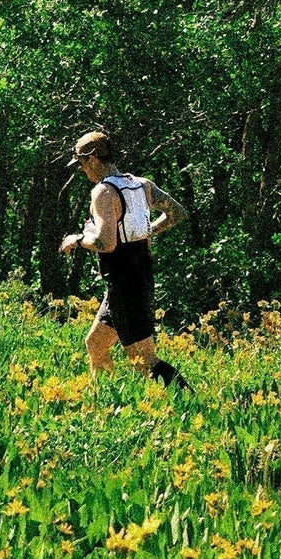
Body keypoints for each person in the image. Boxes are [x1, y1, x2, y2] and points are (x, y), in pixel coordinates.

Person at [58, 130, 190, 387]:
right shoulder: (142, 185)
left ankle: (190, 402)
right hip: (136, 276)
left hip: (124, 281)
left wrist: (77, 239)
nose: (82, 170)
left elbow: (106, 244)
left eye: (82, 164)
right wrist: (147, 230)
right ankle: (105, 400)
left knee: (144, 360)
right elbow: (177, 213)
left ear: (93, 159)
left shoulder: (103, 192)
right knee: (95, 344)